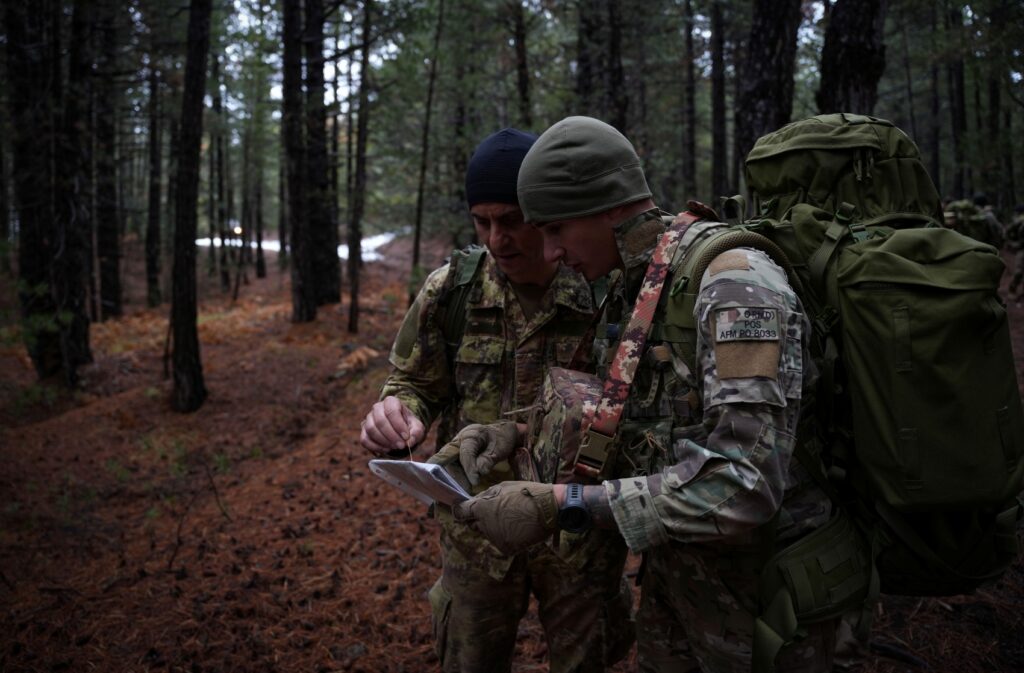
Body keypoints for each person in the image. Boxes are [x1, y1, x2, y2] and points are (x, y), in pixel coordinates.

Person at [452, 116, 841, 673]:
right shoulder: (639, 284)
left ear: (608, 206)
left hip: (771, 607)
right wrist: (509, 433)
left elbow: (745, 484)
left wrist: (570, 503)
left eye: (556, 229)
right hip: (682, 587)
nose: (553, 252)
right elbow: (635, 422)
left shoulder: (734, 287)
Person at [360, 128, 633, 673]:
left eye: (511, 220)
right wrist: (398, 414)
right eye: (481, 222)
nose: (496, 239)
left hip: (577, 531)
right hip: (474, 531)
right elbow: (414, 383)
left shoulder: (610, 290)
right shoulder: (451, 292)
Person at [1007, 204, 1024, 300]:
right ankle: (1012, 290)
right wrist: (1013, 244)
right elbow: (1008, 231)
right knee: (1018, 271)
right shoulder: (1020, 221)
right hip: (1022, 248)